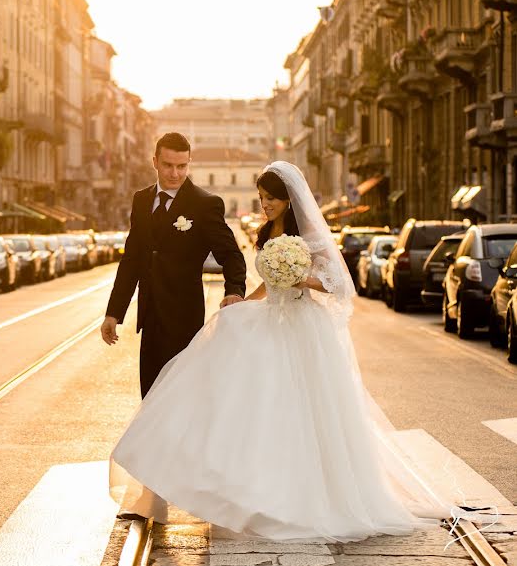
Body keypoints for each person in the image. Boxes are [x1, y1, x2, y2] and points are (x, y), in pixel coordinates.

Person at [109, 161, 452, 542]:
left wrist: (297, 277)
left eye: (270, 199)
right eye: (260, 198)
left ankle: (303, 497)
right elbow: (268, 286)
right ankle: (244, 490)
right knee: (255, 410)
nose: (264, 205)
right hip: (270, 317)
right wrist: (241, 301)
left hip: (301, 327)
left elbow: (337, 284)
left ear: (289, 199)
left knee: (301, 411)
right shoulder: (266, 231)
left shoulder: (306, 235)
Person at [101, 132, 247, 398]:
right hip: (150, 319)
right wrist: (114, 312)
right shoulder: (141, 200)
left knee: (179, 399)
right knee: (150, 398)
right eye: (168, 165)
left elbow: (231, 255)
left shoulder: (205, 204)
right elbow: (132, 260)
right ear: (155, 161)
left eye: (182, 166)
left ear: (189, 163)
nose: (175, 173)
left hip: (185, 321)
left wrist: (234, 291)